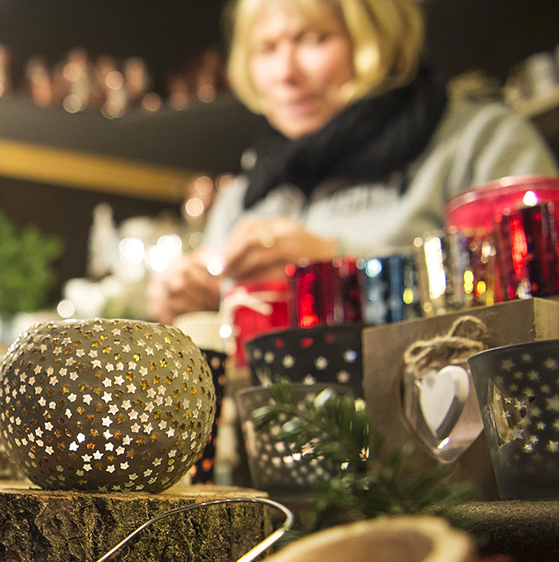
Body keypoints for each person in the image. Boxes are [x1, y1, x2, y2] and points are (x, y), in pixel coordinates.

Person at [150, 0, 559, 324]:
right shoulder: (243, 198)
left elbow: (537, 312)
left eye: (312, 39)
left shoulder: (478, 140)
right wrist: (186, 308)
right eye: (267, 49)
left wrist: (342, 270)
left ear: (376, 37)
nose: (284, 72)